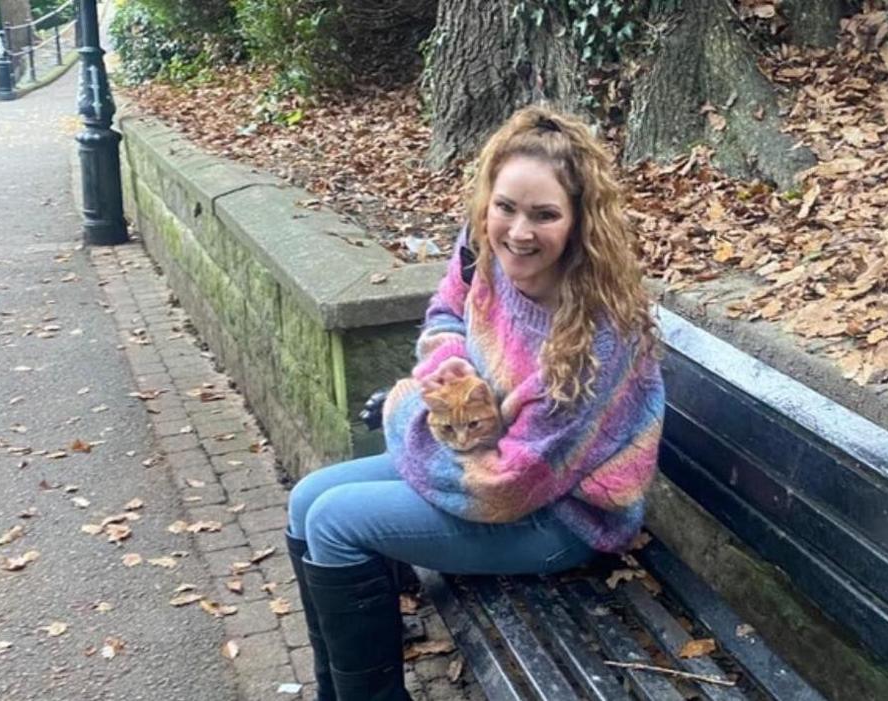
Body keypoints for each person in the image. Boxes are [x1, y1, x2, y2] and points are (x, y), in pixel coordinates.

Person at [284, 105, 666, 701]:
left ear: (580, 224)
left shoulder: (592, 336)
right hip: (481, 461)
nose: (518, 231)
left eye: (545, 215)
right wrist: (448, 368)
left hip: (558, 515)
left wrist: (405, 409)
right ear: (488, 199)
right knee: (307, 498)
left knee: (335, 523)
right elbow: (443, 314)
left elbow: (508, 485)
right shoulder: (482, 251)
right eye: (506, 207)